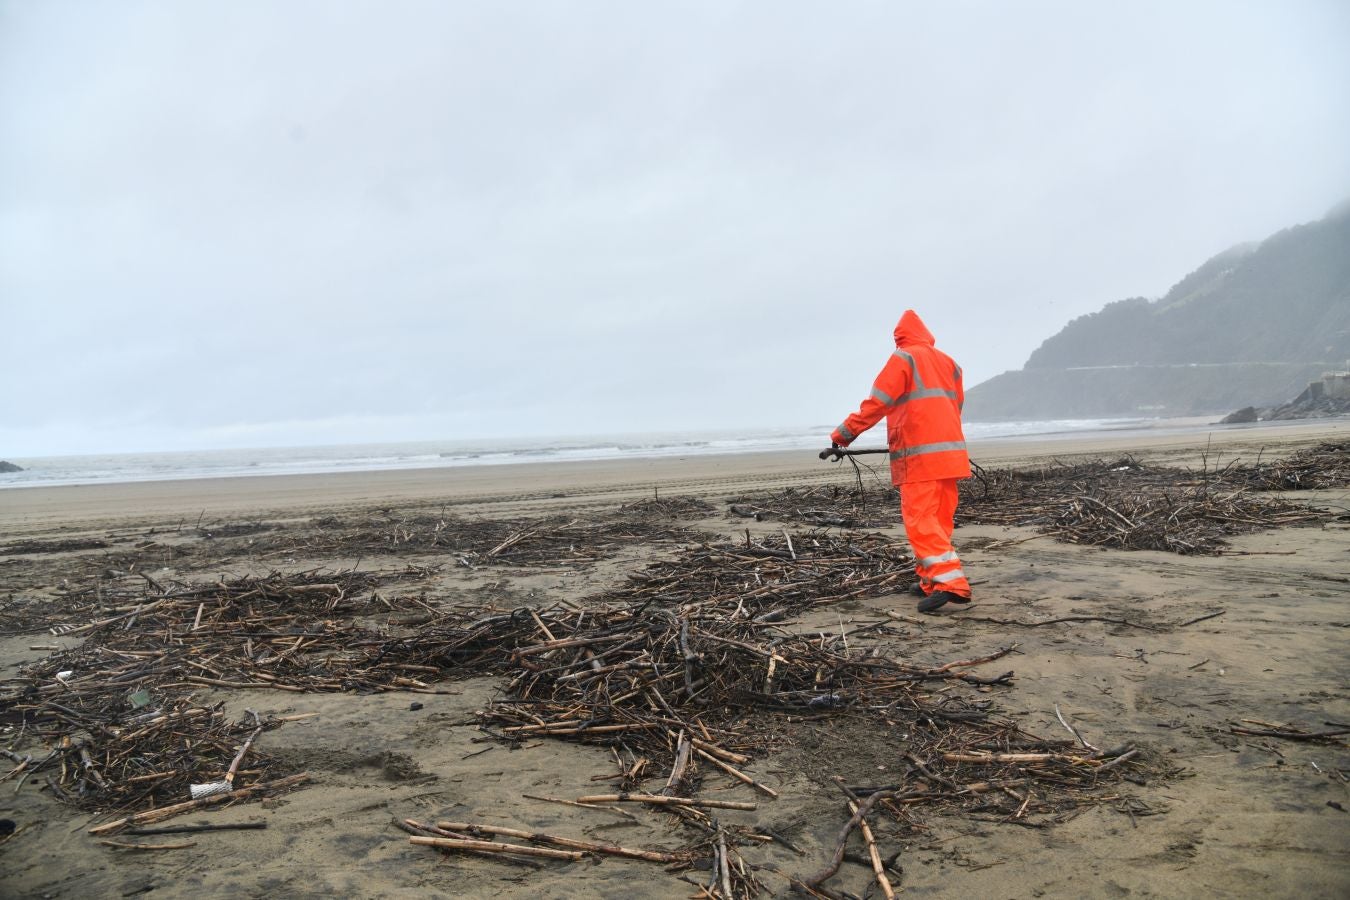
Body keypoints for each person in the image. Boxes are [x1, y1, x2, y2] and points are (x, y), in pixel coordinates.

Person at [825, 309, 973, 613]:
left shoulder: (903, 358)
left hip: (920, 458)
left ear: (899, 339)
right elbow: (954, 406)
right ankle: (930, 581)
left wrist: (843, 434)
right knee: (939, 520)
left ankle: (950, 584)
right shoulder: (950, 364)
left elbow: (877, 403)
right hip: (951, 455)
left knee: (920, 521)